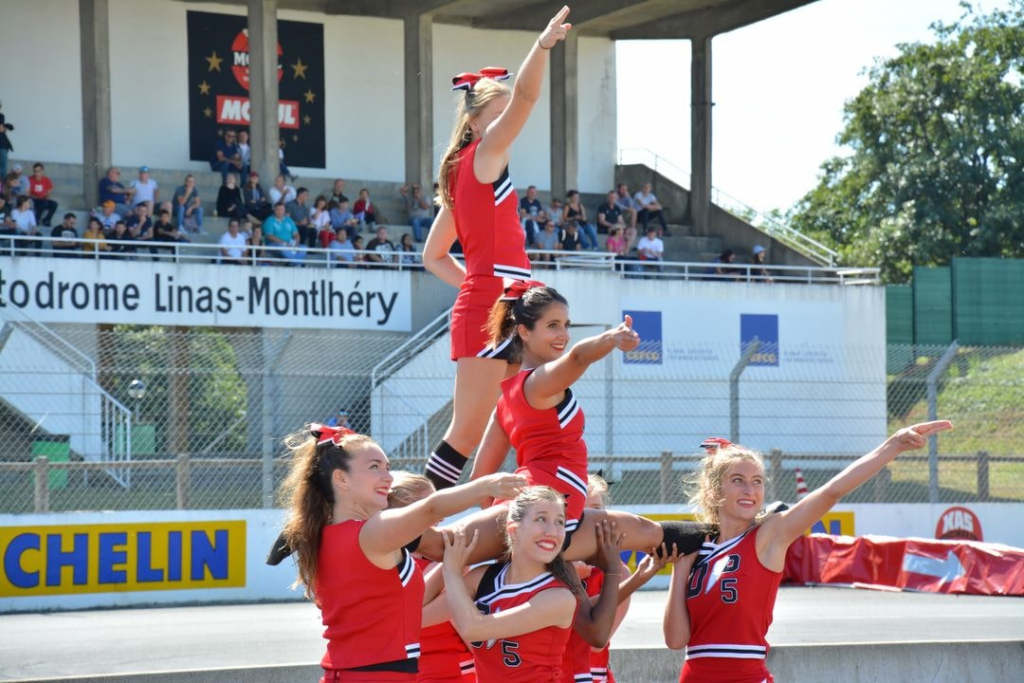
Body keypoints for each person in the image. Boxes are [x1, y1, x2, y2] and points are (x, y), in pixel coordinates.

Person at [663, 420, 953, 683]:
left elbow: (831, 491)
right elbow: (676, 640)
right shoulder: (701, 552)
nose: (750, 489)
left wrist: (894, 445)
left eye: (757, 482)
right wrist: (681, 570)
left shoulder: (770, 536)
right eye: (737, 480)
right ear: (714, 492)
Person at [421, 7, 572, 492]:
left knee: (503, 429)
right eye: (499, 111)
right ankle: (421, 527)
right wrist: (543, 45)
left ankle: (486, 521)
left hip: (504, 300)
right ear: (477, 119)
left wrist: (478, 283)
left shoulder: (467, 172)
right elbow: (528, 96)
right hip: (494, 302)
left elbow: (434, 255)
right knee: (468, 433)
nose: (509, 118)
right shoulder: (483, 155)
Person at [275, 423, 526, 683]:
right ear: (341, 478)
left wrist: (450, 568)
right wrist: (484, 486)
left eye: (387, 467)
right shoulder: (371, 533)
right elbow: (431, 509)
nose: (388, 477)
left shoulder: (322, 536)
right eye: (374, 467)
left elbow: (401, 608)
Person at [441, 486, 624, 683]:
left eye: (560, 522)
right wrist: (446, 555)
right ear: (513, 529)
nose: (552, 531)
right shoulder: (484, 578)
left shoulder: (558, 597)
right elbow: (422, 612)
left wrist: (451, 569)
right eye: (541, 519)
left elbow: (473, 628)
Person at [28, 163, 58, 227]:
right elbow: (27, 192)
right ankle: (37, 219)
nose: (36, 173)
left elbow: (49, 191)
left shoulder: (46, 180)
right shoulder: (29, 179)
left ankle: (47, 219)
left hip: (43, 199)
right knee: (42, 203)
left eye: (38, 171)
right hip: (33, 199)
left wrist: (46, 197)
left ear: (42, 171)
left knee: (54, 204)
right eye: (35, 171)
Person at [0, 102, 13, 179]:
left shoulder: (1, 116)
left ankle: (1, 189)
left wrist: (5, 127)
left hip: (2, 145)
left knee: (3, 169)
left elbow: (3, 128)